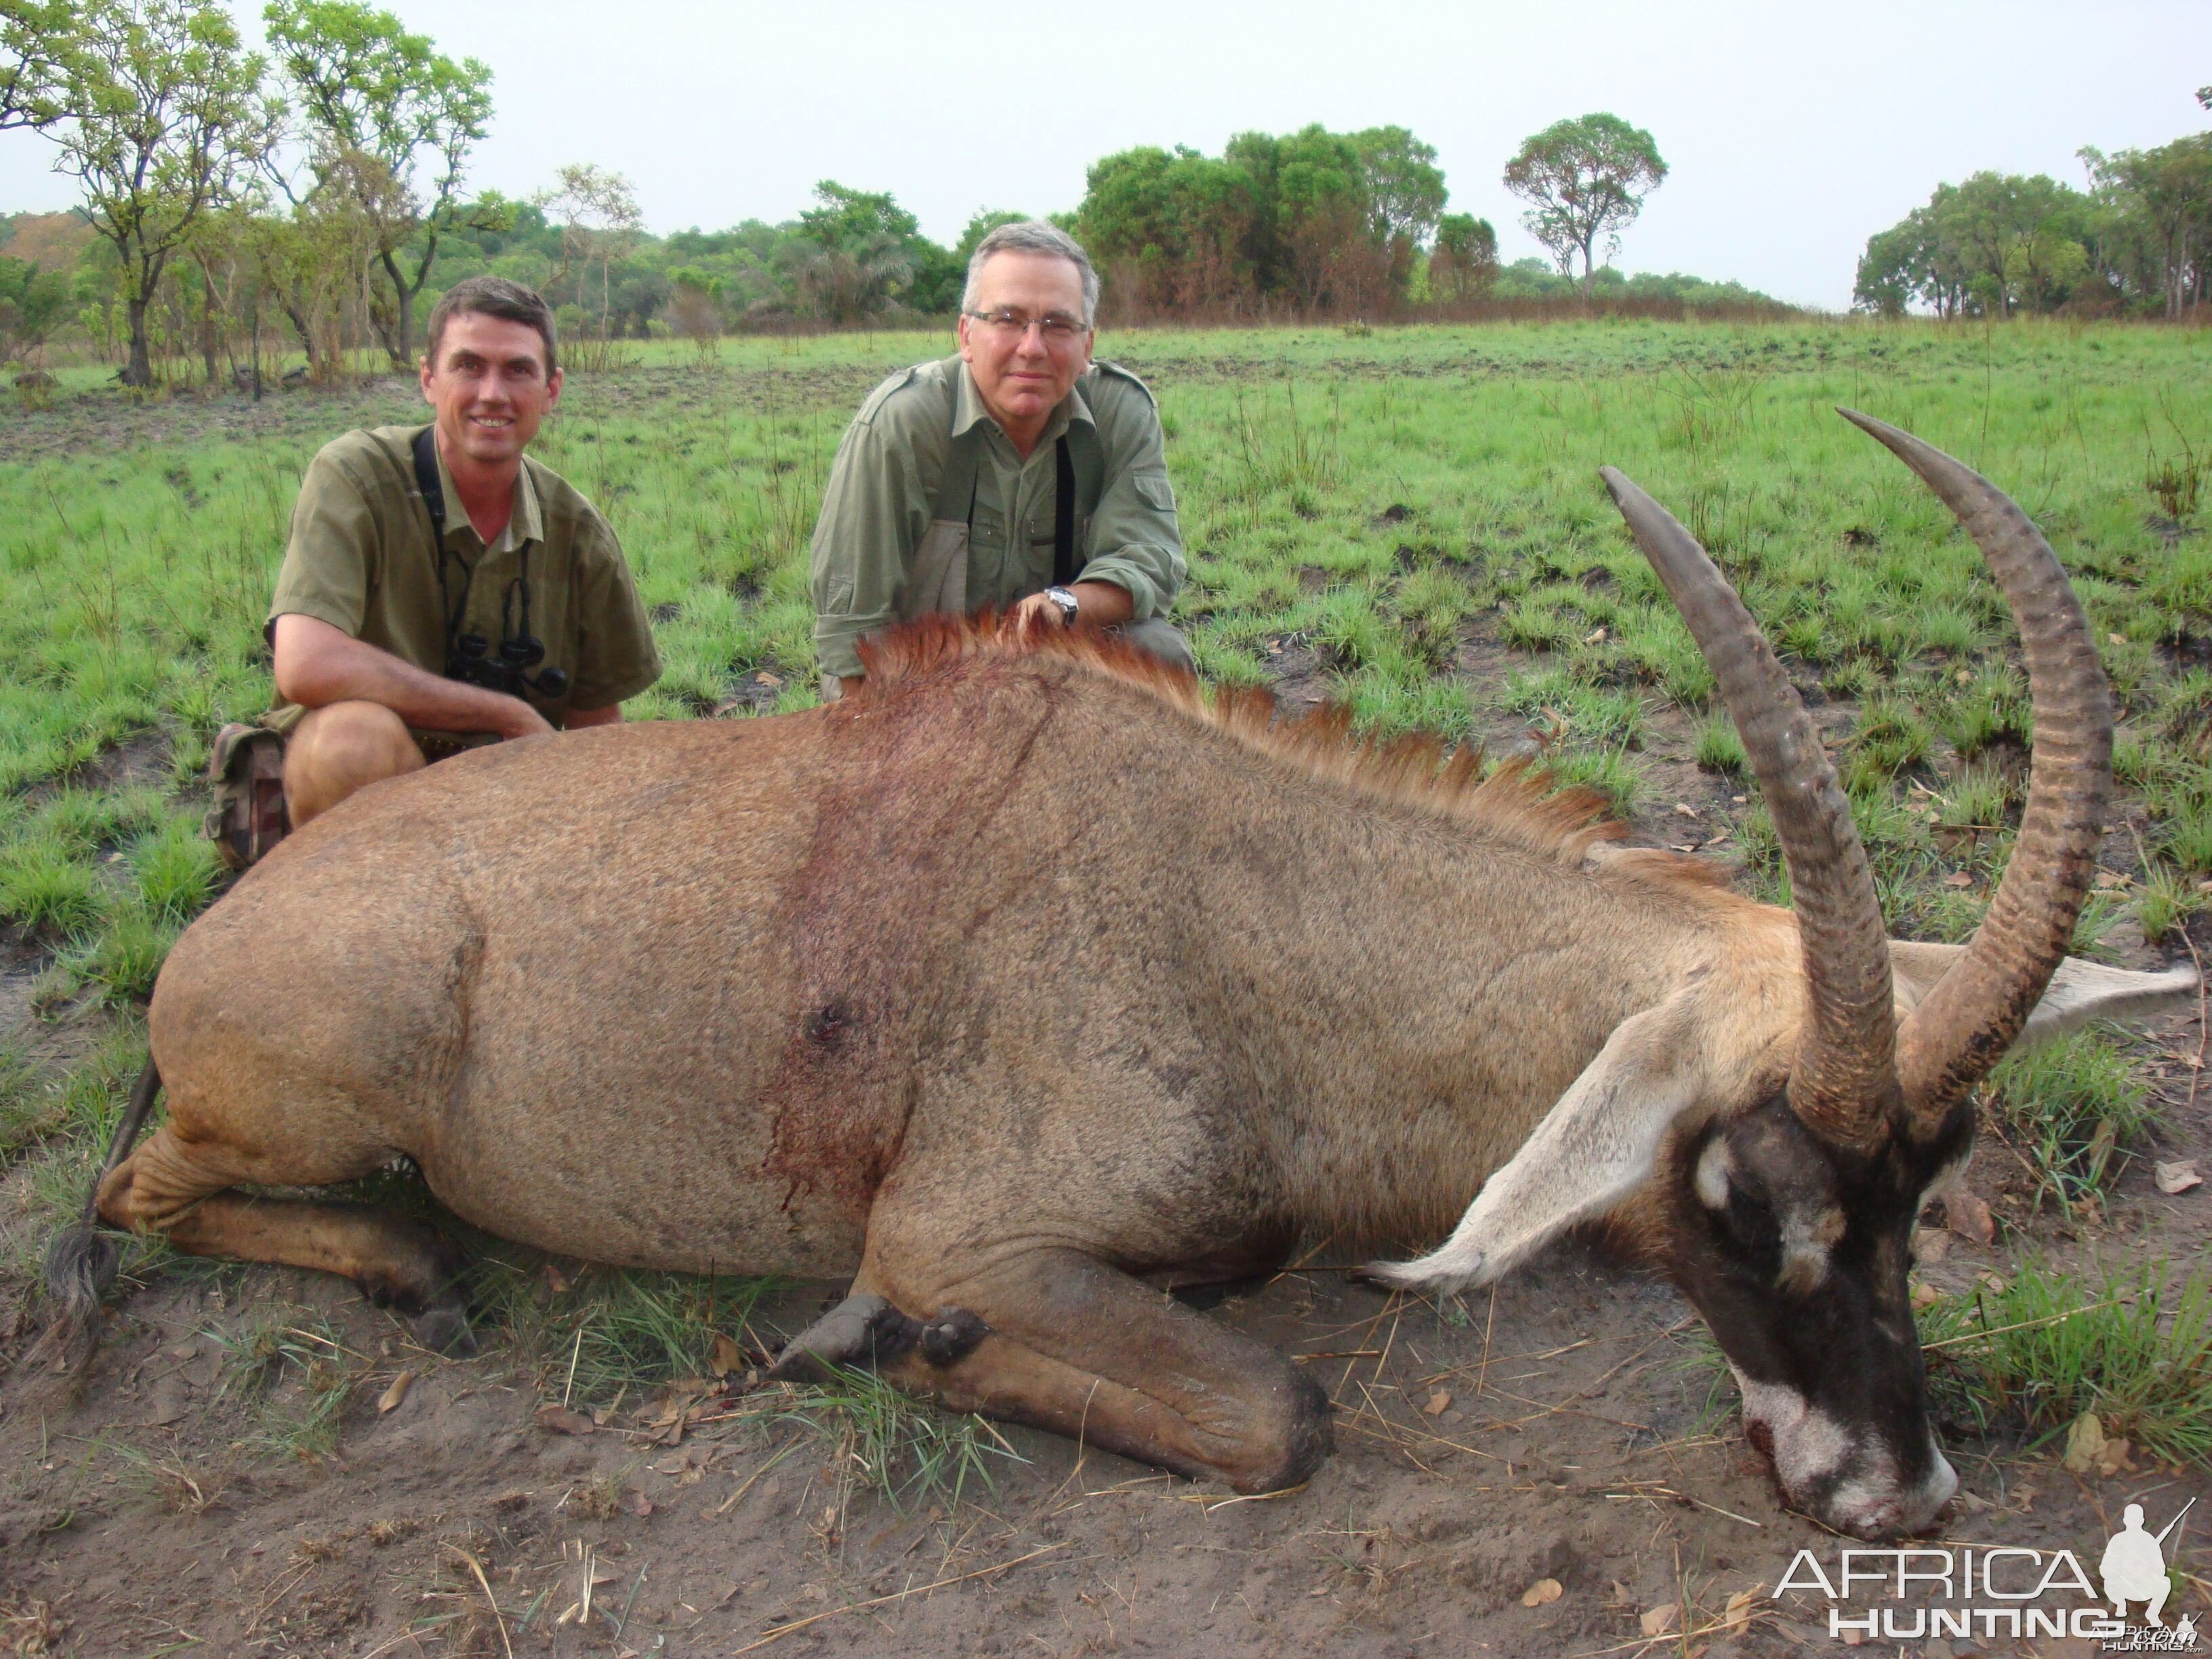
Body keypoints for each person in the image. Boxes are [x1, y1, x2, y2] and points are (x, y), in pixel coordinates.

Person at [207, 276, 662, 868]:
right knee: (349, 745)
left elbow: (597, 729)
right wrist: (505, 714)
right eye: (468, 367)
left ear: (551, 391)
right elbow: (304, 663)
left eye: (518, 371)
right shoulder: (355, 476)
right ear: (428, 379)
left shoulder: (579, 531)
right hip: (369, 787)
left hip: (511, 789)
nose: (492, 394)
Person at [808, 220, 1189, 698]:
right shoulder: (899, 424)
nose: (1032, 348)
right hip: (922, 682)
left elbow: (1149, 561)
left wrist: (1062, 606)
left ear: (1087, 344)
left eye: (1057, 324)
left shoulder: (1120, 412)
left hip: (1055, 662)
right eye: (1008, 319)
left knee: (1158, 650)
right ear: (966, 335)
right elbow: (852, 635)